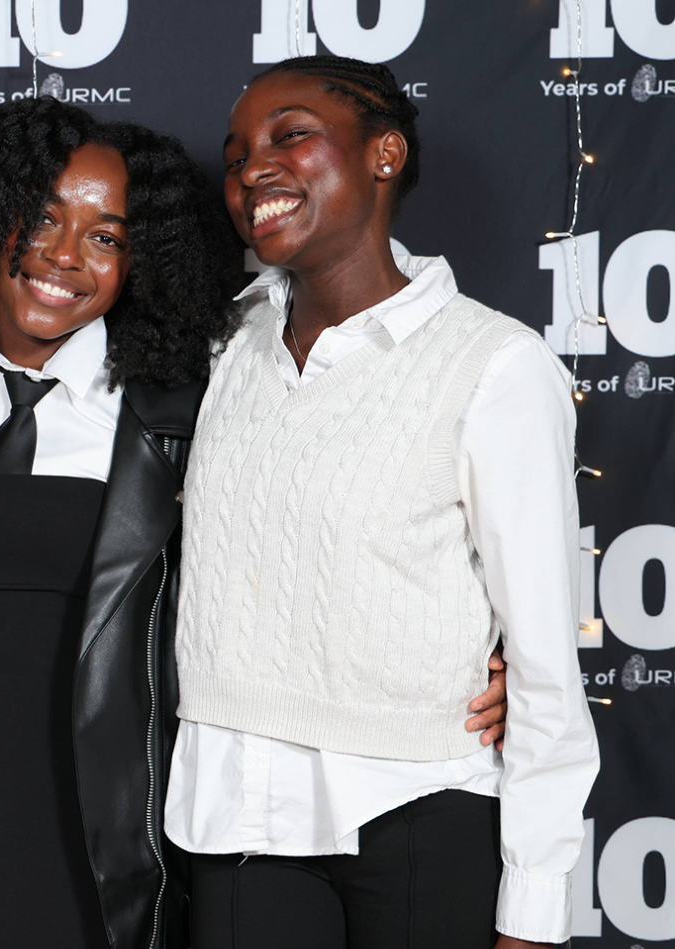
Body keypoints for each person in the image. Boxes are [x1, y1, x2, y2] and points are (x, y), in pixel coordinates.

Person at [0, 97, 512, 949]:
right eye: (42, 217)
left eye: (106, 236)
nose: (64, 256)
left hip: (113, 845)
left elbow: (333, 522)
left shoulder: (194, 409)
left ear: (142, 261)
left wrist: (458, 657)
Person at [168, 55, 600, 949]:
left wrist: (535, 906)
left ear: (385, 153)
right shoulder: (217, 342)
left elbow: (548, 659)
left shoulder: (494, 365)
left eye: (291, 136)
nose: (254, 170)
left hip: (420, 808)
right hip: (236, 811)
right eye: (237, 153)